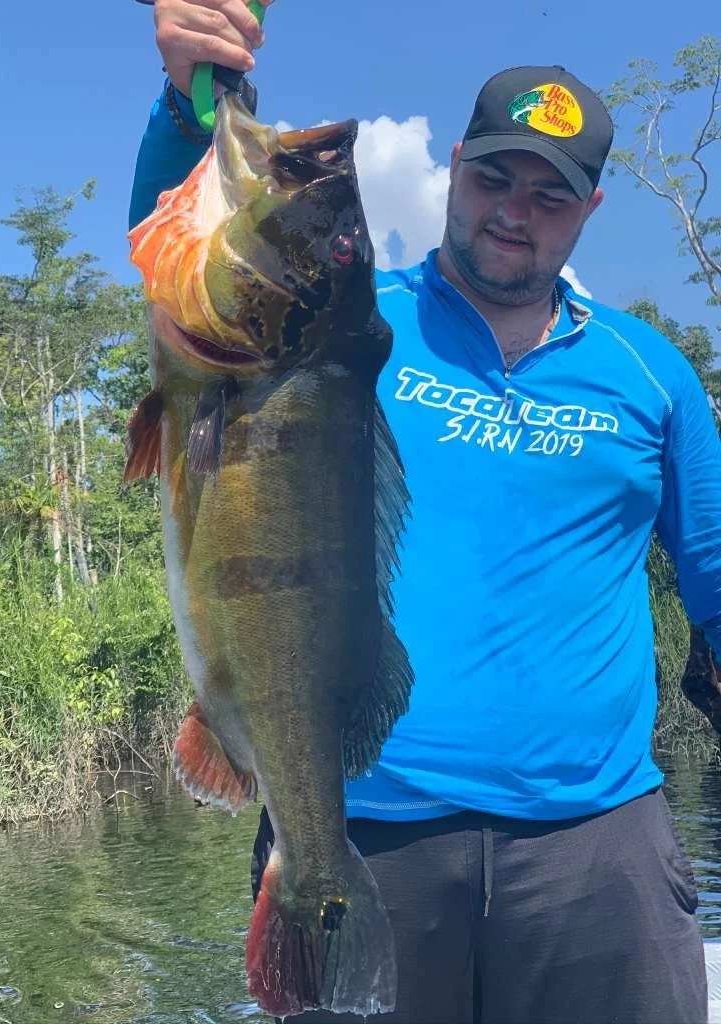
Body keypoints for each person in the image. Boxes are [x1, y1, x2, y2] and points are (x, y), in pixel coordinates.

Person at [129, 3, 721, 1021]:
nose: (513, 210)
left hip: (597, 847)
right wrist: (191, 102)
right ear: (455, 164)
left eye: (550, 193)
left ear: (588, 208)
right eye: (494, 175)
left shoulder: (650, 371)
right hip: (371, 834)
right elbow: (189, 272)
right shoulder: (350, 323)